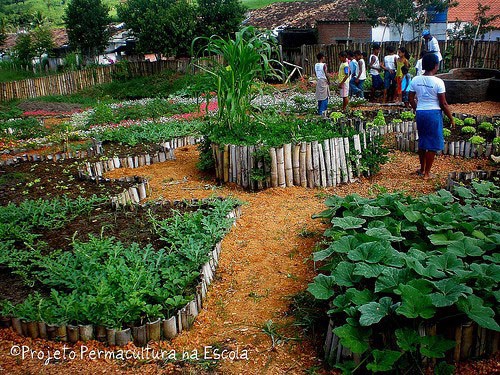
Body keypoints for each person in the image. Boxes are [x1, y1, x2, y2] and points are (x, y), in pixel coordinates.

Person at [409, 53, 454, 180]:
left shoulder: (415, 79)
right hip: (433, 113)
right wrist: (451, 118)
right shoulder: (438, 82)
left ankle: (422, 169)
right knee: (433, 143)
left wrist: (417, 108)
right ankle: (428, 173)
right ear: (435, 66)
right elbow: (443, 103)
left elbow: (410, 98)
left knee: (423, 141)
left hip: (421, 112)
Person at [315, 52, 330, 116]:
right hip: (323, 81)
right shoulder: (324, 65)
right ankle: (322, 111)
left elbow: (317, 73)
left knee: (320, 97)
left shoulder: (316, 65)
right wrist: (329, 80)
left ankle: (319, 110)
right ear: (322, 57)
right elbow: (326, 74)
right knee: (324, 96)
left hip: (319, 80)